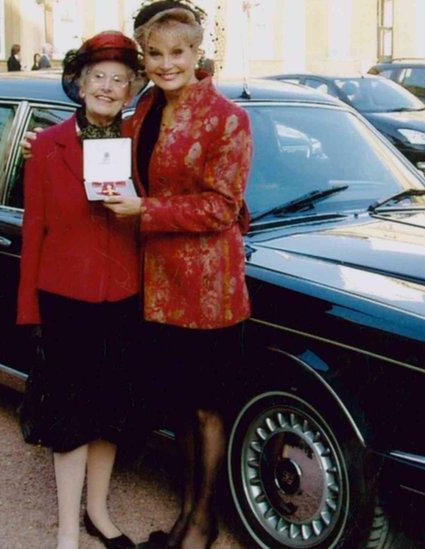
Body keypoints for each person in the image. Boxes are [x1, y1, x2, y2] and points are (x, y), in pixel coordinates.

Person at [102, 2, 252, 547]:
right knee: (183, 407)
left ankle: (204, 521)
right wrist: (51, 150)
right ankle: (189, 510)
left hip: (209, 289)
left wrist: (147, 210)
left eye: (178, 53)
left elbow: (222, 207)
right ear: (146, 55)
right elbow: (114, 158)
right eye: (156, 54)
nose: (167, 64)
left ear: (197, 53)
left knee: (208, 409)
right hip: (160, 286)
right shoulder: (145, 110)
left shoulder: (226, 118)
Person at [16, 31, 142, 549]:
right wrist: (31, 311)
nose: (108, 88)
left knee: (108, 413)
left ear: (131, 86)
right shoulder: (46, 146)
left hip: (122, 298)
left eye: (118, 79)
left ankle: (98, 512)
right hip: (65, 300)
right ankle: (69, 525)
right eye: (99, 78)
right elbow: (34, 231)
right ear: (81, 83)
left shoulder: (140, 144)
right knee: (69, 416)